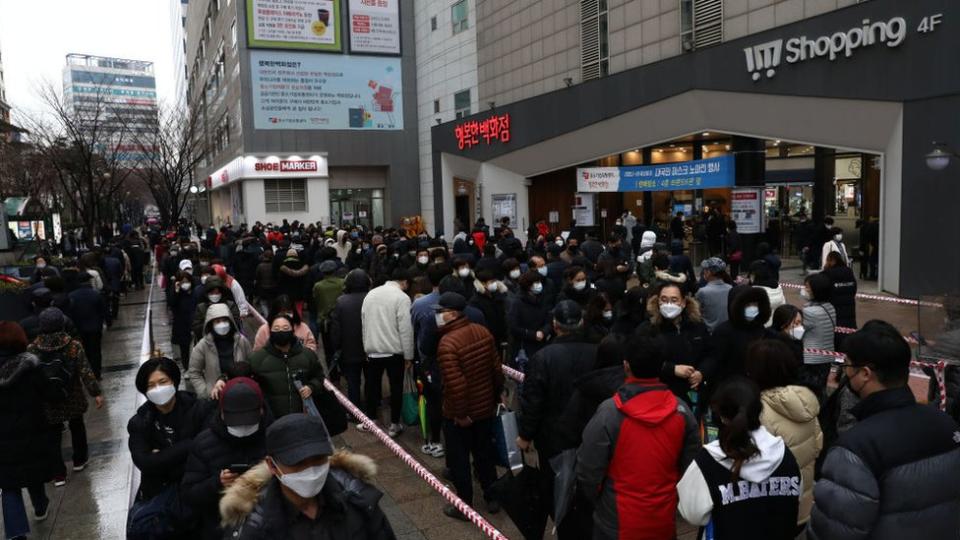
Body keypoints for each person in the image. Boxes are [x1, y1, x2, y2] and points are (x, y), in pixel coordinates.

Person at [808, 321, 960, 540]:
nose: (844, 373)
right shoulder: (947, 426)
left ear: (865, 373)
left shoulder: (855, 448)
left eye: (847, 366)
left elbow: (834, 530)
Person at [577, 333, 699, 540]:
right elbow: (690, 467)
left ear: (626, 366)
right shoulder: (682, 411)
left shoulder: (609, 413)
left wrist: (599, 499)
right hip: (662, 519)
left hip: (616, 521)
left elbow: (588, 471)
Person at [219, 413, 395, 539]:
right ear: (272, 465)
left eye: (318, 459)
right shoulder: (252, 527)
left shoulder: (357, 497)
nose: (310, 471)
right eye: (298, 463)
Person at [677, 377, 802, 540]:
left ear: (721, 416)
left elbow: (692, 513)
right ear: (759, 409)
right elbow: (795, 502)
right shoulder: (785, 455)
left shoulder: (708, 460)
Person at [517, 300, 597, 535]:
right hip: (590, 431)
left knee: (556, 485)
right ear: (581, 322)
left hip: (553, 435)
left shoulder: (543, 357)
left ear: (555, 324)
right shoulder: (597, 351)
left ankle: (563, 521)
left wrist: (525, 434)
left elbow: (533, 401)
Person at [434, 292, 503, 520]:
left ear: (452, 314)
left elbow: (456, 386)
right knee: (484, 454)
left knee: (459, 459)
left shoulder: (448, 343)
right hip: (485, 407)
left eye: (440, 312)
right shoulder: (482, 331)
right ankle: (492, 496)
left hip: (460, 413)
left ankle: (464, 505)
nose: (437, 316)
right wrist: (495, 398)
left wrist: (462, 414)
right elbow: (496, 370)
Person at [745, 340, 822, 531]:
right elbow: (818, 445)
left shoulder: (759, 410)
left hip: (771, 508)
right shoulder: (805, 400)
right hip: (802, 505)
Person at [181, 378, 270, 540]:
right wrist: (217, 483)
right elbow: (189, 494)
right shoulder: (203, 444)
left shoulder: (274, 437)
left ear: (261, 411)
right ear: (222, 413)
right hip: (220, 529)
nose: (243, 426)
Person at [128, 357, 213, 522]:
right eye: (151, 385)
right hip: (161, 499)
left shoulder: (199, 409)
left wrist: (162, 456)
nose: (158, 388)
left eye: (163, 381)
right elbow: (145, 462)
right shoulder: (140, 422)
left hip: (198, 494)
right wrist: (189, 445)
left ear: (173, 381)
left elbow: (208, 448)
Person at [29, 308, 104, 486]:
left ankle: (58, 473)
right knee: (77, 425)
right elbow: (85, 371)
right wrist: (96, 393)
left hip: (47, 399)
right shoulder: (73, 345)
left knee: (52, 435)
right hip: (72, 395)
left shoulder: (33, 348)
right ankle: (79, 460)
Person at [0, 322, 57, 540]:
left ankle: (16, 534)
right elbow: (49, 393)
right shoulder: (31, 367)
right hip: (31, 431)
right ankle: (40, 506)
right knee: (32, 470)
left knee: (8, 484)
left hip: (2, 439)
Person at [360, 269, 415, 437]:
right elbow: (405, 329)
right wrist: (409, 355)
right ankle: (394, 423)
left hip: (373, 349)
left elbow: (364, 323)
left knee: (371, 386)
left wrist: (366, 346)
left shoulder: (370, 294)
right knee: (396, 387)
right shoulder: (402, 297)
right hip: (394, 351)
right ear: (404, 282)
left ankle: (370, 420)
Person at [637, 282, 711, 404]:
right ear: (658, 301)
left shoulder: (697, 326)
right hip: (659, 393)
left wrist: (702, 372)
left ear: (683, 302)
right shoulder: (648, 329)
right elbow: (640, 360)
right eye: (664, 299)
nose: (669, 304)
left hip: (692, 393)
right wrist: (671, 369)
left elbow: (710, 353)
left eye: (674, 300)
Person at [247, 313, 326, 418]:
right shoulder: (258, 358)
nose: (281, 332)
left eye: (285, 328)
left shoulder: (307, 355)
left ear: (292, 330)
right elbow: (244, 376)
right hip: (272, 420)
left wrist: (311, 387)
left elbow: (319, 376)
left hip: (303, 417)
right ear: (270, 331)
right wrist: (223, 379)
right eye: (276, 328)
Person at [187, 303, 253, 399]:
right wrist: (205, 392)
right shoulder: (203, 345)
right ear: (211, 324)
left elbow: (251, 363)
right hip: (215, 397)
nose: (222, 324)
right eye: (217, 321)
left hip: (241, 394)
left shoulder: (241, 341)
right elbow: (194, 372)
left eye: (225, 320)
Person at [330, 269, 372, 412]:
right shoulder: (371, 298)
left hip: (349, 349)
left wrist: (337, 347)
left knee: (353, 382)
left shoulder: (341, 301)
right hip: (370, 348)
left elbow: (336, 330)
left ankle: (355, 410)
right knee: (371, 380)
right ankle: (371, 405)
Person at [800, 273, 837, 396]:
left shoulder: (810, 313)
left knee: (810, 392)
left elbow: (796, 332)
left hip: (812, 359)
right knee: (820, 389)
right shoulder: (830, 306)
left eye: (807, 287)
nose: (804, 290)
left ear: (816, 291)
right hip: (826, 357)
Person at [67, 271, 108, 379]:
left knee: (84, 351)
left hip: (79, 329)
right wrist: (105, 322)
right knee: (96, 350)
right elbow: (103, 311)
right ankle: (97, 373)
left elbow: (70, 313)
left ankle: (87, 374)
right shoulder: (96, 294)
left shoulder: (71, 296)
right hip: (95, 328)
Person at [507, 270, 552, 362]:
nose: (539, 285)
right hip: (524, 346)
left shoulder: (543, 299)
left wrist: (544, 331)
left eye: (539, 282)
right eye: (536, 282)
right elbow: (513, 327)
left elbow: (548, 319)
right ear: (528, 285)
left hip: (542, 343)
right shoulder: (517, 303)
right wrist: (533, 334)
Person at [252, 295, 318, 354]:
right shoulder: (264, 330)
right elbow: (258, 352)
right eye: (281, 312)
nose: (285, 315)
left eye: (288, 312)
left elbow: (311, 348)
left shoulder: (303, 328)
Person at [192, 276, 242, 342]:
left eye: (217, 293)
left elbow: (236, 323)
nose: (215, 295)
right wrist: (211, 326)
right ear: (207, 293)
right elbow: (196, 328)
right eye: (212, 293)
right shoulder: (201, 308)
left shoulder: (230, 305)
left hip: (228, 342)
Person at [821, 251, 857, 330]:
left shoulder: (827, 274)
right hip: (849, 312)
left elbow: (821, 291)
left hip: (832, 314)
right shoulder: (848, 271)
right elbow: (854, 289)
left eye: (827, 260)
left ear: (833, 261)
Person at [695, 257, 733, 333]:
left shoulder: (703, 292)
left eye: (704, 270)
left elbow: (696, 313)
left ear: (708, 272)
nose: (703, 272)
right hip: (729, 332)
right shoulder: (731, 288)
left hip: (710, 332)